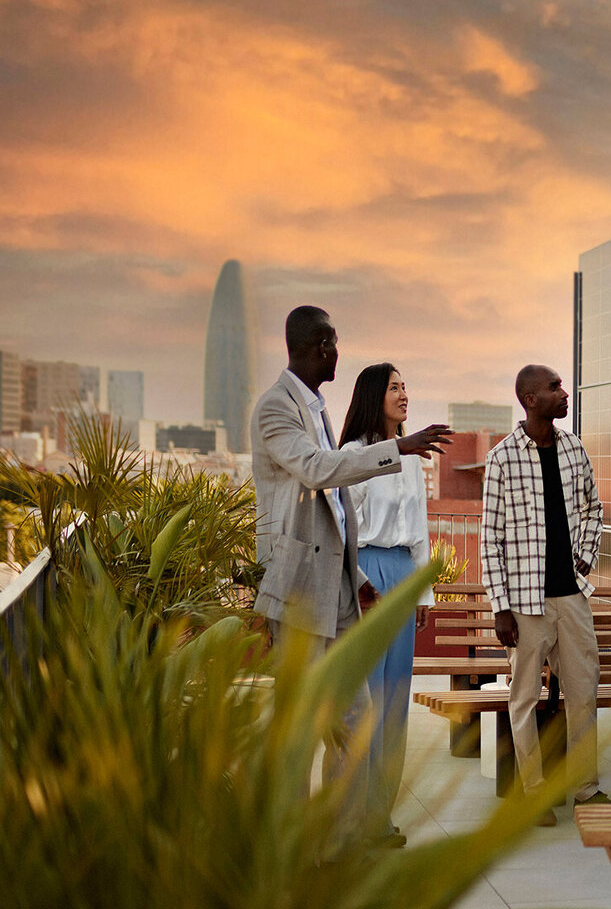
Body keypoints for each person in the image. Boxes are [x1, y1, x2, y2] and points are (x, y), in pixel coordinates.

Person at [250, 305, 451, 846]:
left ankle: (344, 841)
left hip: (340, 585)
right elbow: (317, 472)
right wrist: (398, 448)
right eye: (334, 343)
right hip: (298, 590)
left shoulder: (313, 407)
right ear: (318, 346)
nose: (339, 352)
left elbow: (338, 511)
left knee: (360, 717)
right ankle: (289, 844)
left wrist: (353, 574)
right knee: (299, 728)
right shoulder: (277, 408)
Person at [479, 363, 608, 825]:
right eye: (555, 388)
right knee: (525, 699)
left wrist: (586, 554)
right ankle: (533, 793)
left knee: (583, 694)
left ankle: (586, 789)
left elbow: (594, 506)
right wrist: (500, 609)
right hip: (525, 604)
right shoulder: (501, 459)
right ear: (531, 400)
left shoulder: (574, 448)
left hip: (572, 597)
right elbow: (489, 539)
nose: (563, 392)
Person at [338, 362, 434, 843]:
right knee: (367, 701)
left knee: (396, 700)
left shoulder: (412, 459)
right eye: (395, 387)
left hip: (401, 575)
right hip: (367, 579)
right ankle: (353, 818)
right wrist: (358, 582)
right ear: (374, 395)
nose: (404, 394)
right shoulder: (354, 455)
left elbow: (419, 531)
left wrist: (424, 590)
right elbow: (342, 530)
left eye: (406, 386)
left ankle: (381, 815)